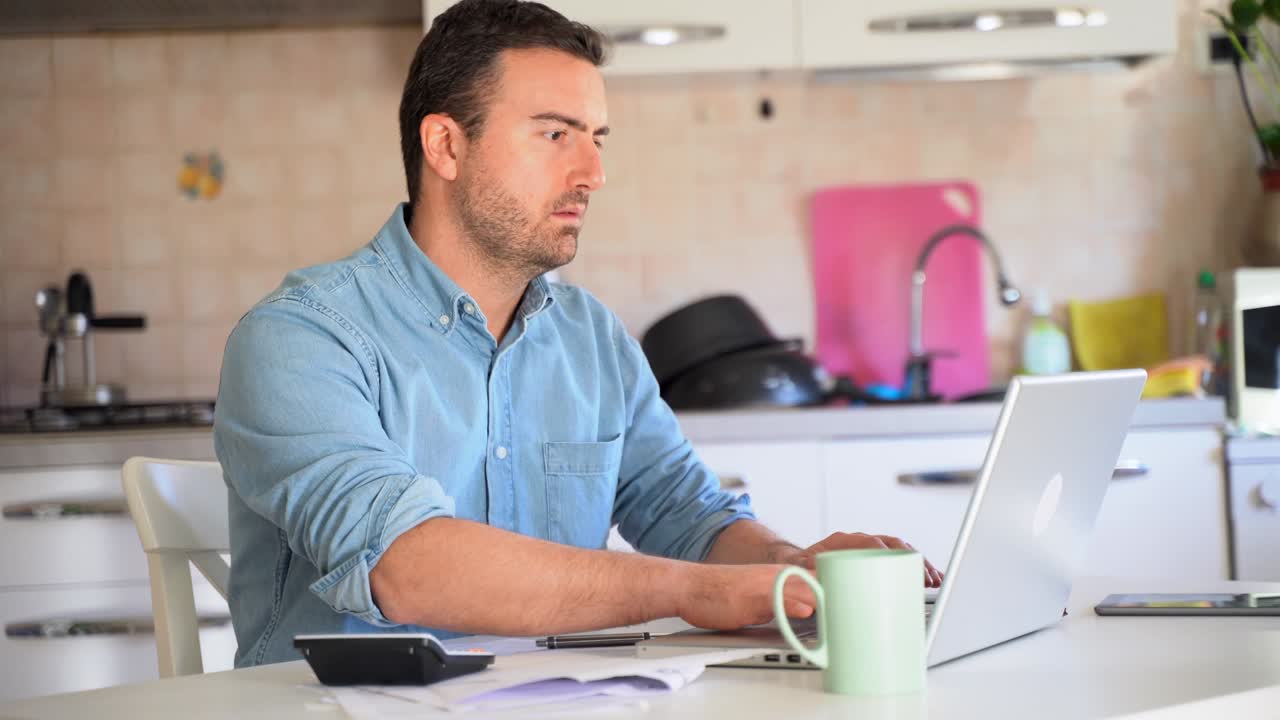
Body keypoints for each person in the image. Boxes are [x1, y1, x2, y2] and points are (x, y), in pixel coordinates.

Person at [214, 0, 942, 668]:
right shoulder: (301, 338)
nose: (593, 172)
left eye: (596, 139)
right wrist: (693, 592)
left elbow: (685, 514)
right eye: (555, 134)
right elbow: (405, 566)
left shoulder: (592, 338)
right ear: (446, 147)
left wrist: (789, 567)